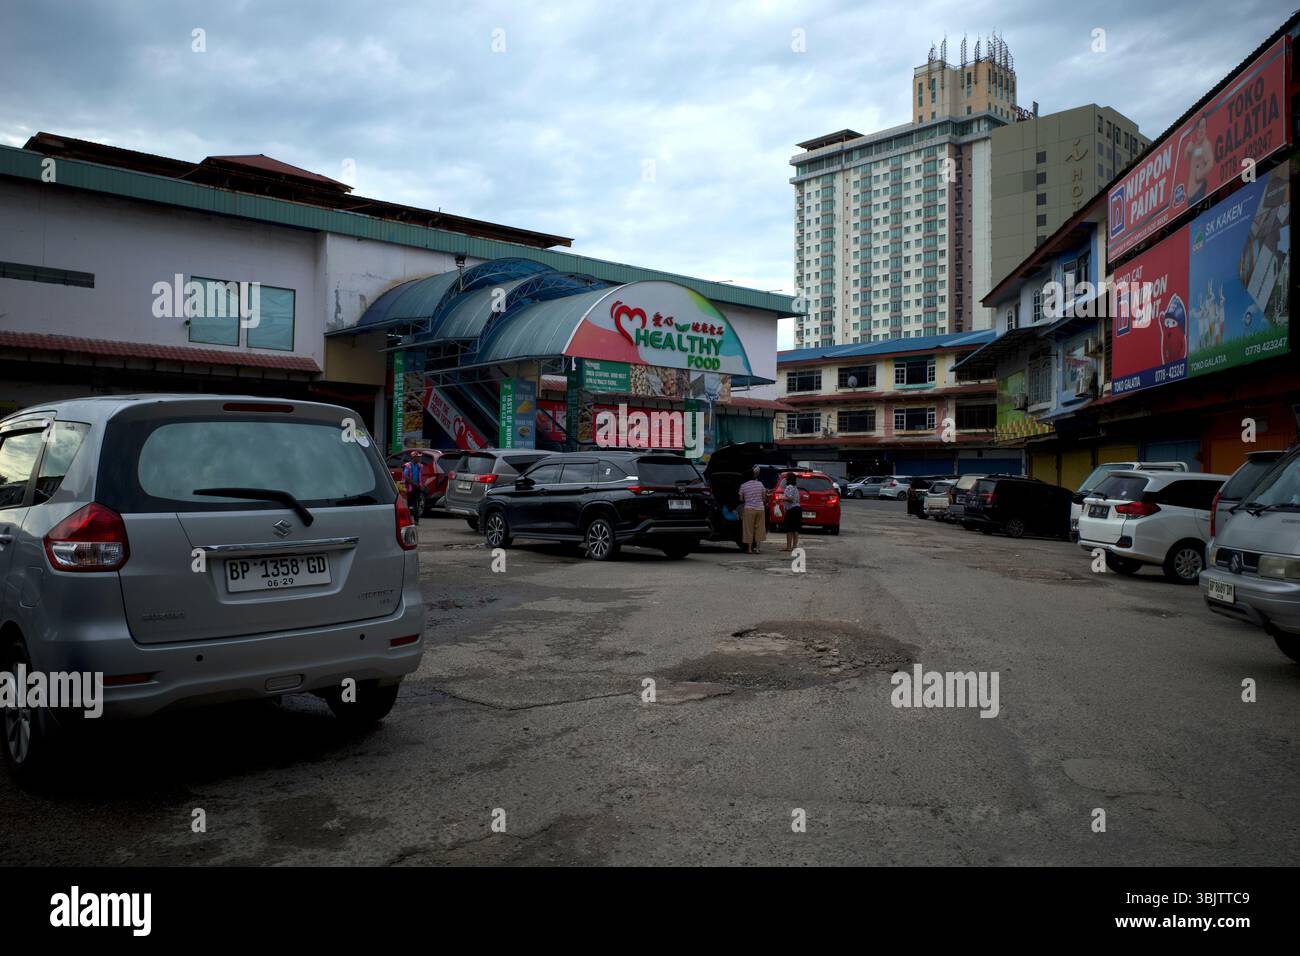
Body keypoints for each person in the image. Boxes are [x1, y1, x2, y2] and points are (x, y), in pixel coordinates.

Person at [737, 465, 769, 554]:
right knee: (759, 528)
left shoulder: (743, 486)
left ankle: (750, 549)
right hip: (760, 509)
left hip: (749, 509)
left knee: (748, 529)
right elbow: (764, 497)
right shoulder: (760, 484)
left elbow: (740, 499)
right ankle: (758, 549)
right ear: (755, 476)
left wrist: (747, 499)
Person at [402, 451, 424, 525]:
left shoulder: (419, 466)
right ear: (414, 457)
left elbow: (420, 477)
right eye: (418, 457)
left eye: (420, 457)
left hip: (417, 487)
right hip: (409, 487)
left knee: (416, 504)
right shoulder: (408, 466)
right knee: (408, 504)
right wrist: (413, 483)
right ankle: (407, 520)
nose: (420, 458)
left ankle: (416, 521)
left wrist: (420, 485)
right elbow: (405, 476)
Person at [781, 474, 802, 552]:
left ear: (788, 479)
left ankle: (788, 547)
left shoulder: (789, 487)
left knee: (789, 529)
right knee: (795, 529)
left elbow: (790, 499)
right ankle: (794, 546)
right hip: (797, 509)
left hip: (791, 510)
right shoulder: (795, 488)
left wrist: (782, 497)